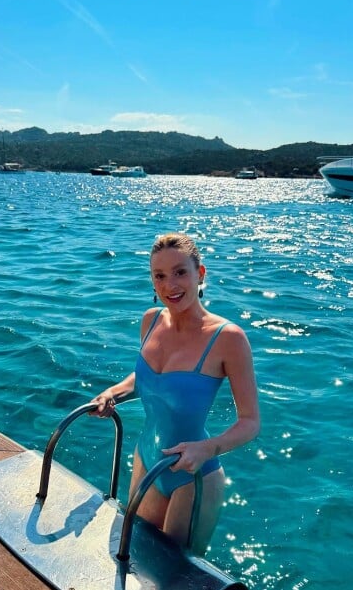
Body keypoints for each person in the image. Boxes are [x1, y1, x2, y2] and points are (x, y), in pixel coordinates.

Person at [91, 232, 260, 554]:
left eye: (180, 272)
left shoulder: (228, 338)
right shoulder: (151, 321)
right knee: (136, 553)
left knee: (177, 581)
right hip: (147, 460)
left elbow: (250, 422)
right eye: (160, 276)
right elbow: (147, 379)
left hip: (193, 476)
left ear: (201, 273)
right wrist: (112, 393)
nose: (170, 285)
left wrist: (208, 448)